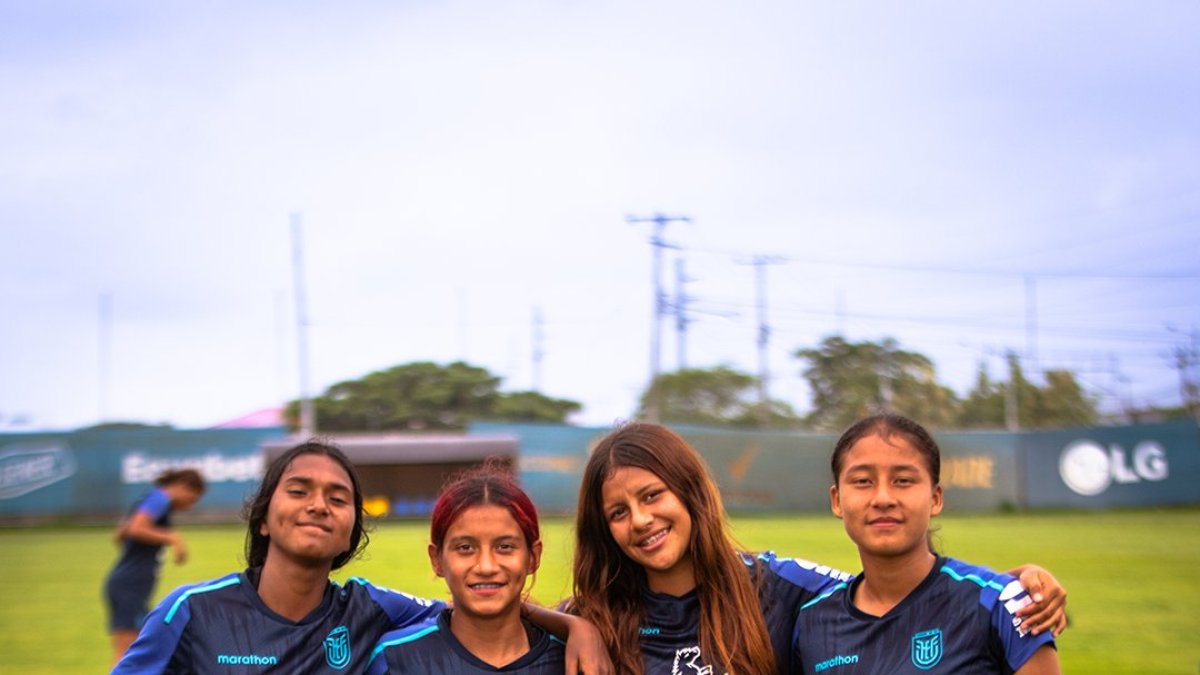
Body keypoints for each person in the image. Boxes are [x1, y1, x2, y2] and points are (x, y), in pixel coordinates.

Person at [568, 422, 1066, 675]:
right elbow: (502, 615)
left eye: (653, 495)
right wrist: (571, 623)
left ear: (690, 491)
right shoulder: (596, 617)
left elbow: (897, 594)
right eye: (618, 512)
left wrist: (1013, 584)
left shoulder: (780, 587)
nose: (641, 520)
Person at [114, 439, 611, 674]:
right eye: (299, 490)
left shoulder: (373, 612)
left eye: (337, 497)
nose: (317, 505)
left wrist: (573, 625)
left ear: (352, 527)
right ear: (264, 517)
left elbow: (476, 604)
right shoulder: (193, 612)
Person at [790, 414, 1060, 674]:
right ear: (837, 500)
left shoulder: (1002, 606)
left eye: (903, 481)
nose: (883, 498)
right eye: (863, 481)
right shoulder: (813, 623)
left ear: (935, 498)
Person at [366, 461, 565, 673]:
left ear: (533, 557)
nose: (486, 567)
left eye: (505, 546)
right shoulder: (396, 659)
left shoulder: (569, 658)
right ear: (437, 559)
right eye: (465, 547)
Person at [104, 467, 206, 666]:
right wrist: (172, 537)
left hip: (128, 584)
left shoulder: (150, 500)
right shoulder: (160, 499)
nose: (190, 505)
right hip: (129, 586)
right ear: (183, 487)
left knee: (135, 650)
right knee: (127, 653)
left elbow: (120, 533)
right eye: (192, 498)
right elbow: (136, 528)